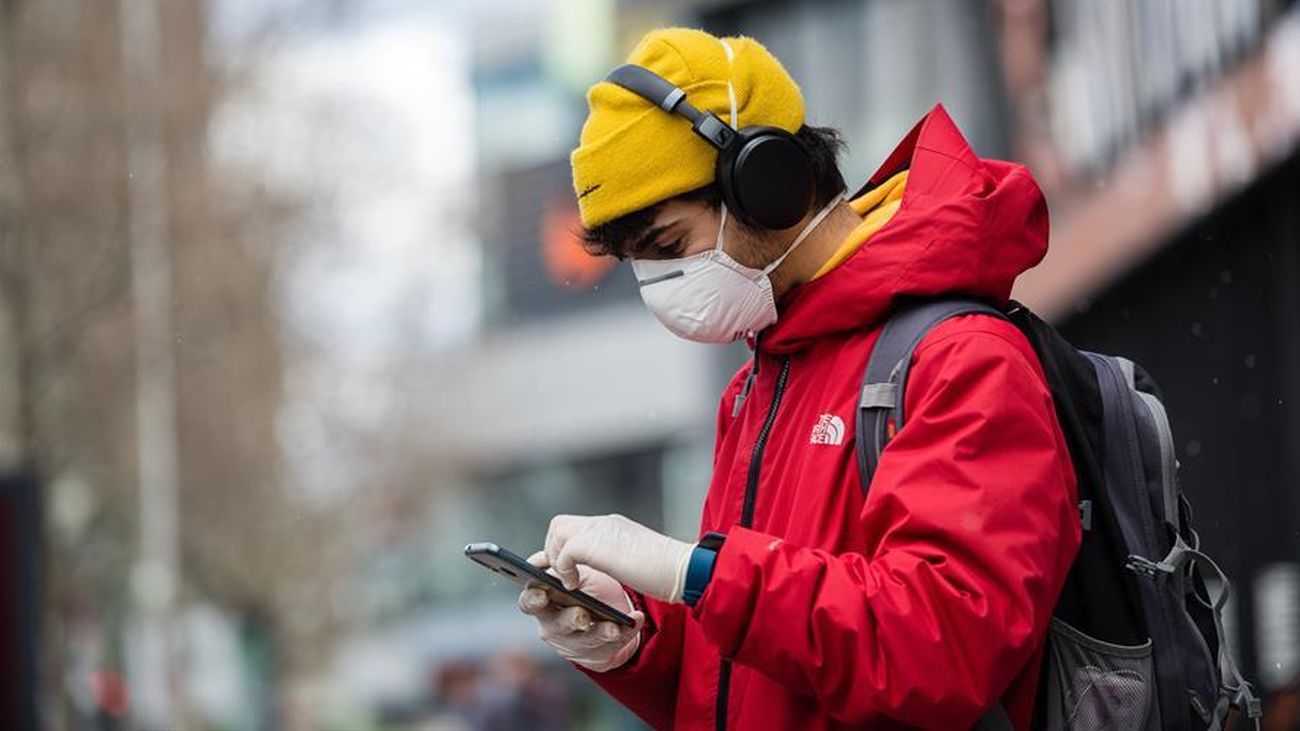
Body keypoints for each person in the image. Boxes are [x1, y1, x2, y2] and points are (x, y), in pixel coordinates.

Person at [516, 27, 1081, 730]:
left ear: (768, 185)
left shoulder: (962, 360)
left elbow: (943, 647)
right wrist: (634, 641)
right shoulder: (754, 391)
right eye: (639, 264)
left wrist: (699, 574)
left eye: (667, 246)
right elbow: (763, 682)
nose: (660, 286)